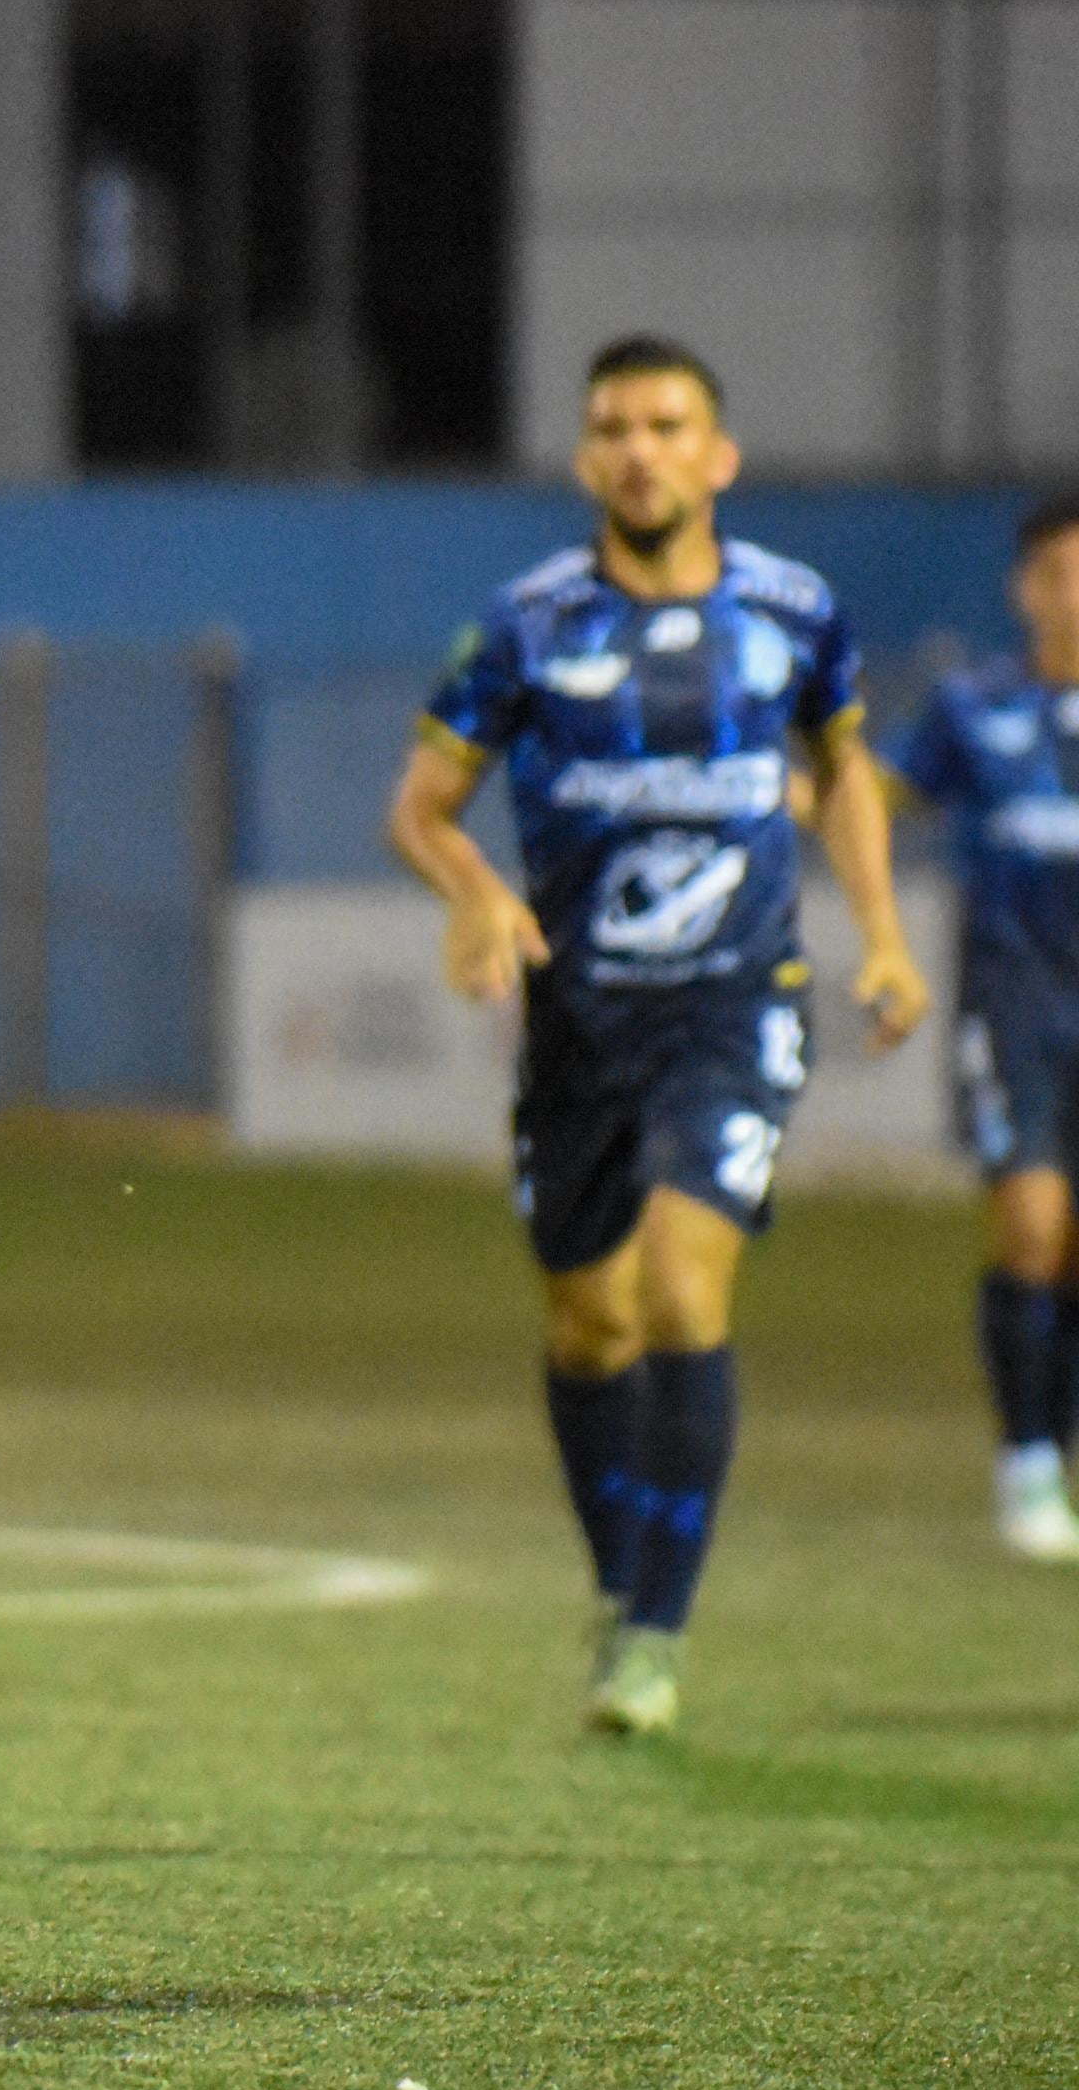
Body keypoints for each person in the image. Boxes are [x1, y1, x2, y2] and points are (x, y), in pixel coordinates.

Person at [385, 333, 926, 1738]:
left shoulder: (795, 612)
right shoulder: (526, 623)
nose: (640, 449)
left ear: (718, 455)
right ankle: (622, 1581)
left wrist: (880, 932)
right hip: (578, 1021)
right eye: (615, 427)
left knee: (685, 1293)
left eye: (667, 424)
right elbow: (421, 807)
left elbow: (845, 767)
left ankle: (657, 1637)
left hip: (735, 1006)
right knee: (588, 1324)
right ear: (584, 458)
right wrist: (478, 892)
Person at [890, 492, 1079, 1562]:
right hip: (1013, 1007)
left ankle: (1050, 1447)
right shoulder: (973, 707)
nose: (1071, 595)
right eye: (1055, 574)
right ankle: (1024, 1462)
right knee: (1028, 1229)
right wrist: (765, 785)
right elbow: (882, 794)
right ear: (1022, 588)